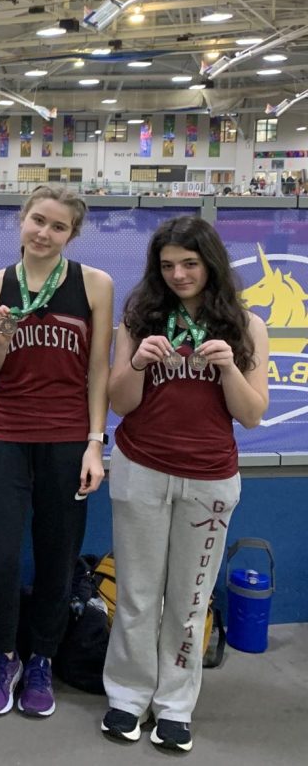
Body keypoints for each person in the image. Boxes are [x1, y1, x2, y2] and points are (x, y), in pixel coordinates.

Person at [100, 217, 268, 752]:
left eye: (190, 264)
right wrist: (138, 365)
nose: (178, 274)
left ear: (211, 264)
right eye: (168, 264)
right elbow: (119, 403)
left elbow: (252, 415)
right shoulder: (140, 318)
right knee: (137, 597)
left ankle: (175, 705)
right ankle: (127, 696)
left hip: (210, 479)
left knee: (189, 603)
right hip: (141, 468)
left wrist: (228, 371)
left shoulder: (245, 326)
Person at [0, 185, 113, 718]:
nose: (44, 233)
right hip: (6, 433)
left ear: (71, 235)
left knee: (57, 559)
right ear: (21, 220)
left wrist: (95, 444)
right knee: (1, 558)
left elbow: (98, 370)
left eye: (57, 227)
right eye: (37, 221)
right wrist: (3, 337)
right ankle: (4, 655)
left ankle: (43, 662)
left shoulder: (94, 284)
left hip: (67, 437)